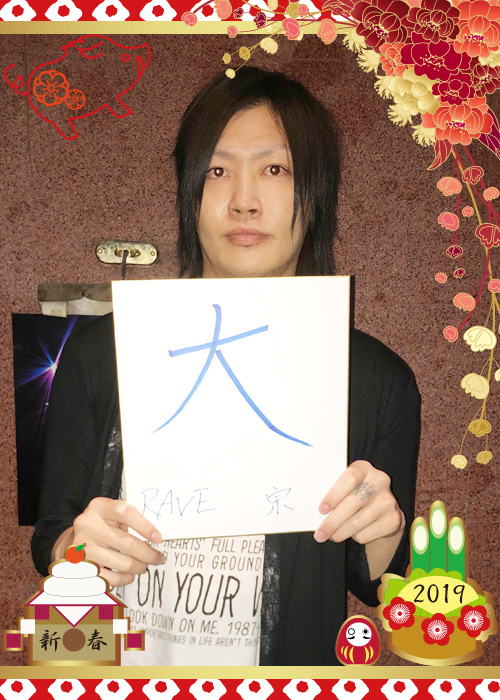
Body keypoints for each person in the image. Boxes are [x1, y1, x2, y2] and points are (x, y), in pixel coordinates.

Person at [32, 66, 421, 665]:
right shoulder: (97, 353)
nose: (243, 200)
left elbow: (376, 583)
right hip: (112, 671)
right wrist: (77, 551)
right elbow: (52, 539)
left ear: (316, 194)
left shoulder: (378, 380)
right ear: (190, 194)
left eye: (275, 169)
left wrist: (384, 527)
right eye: (217, 171)